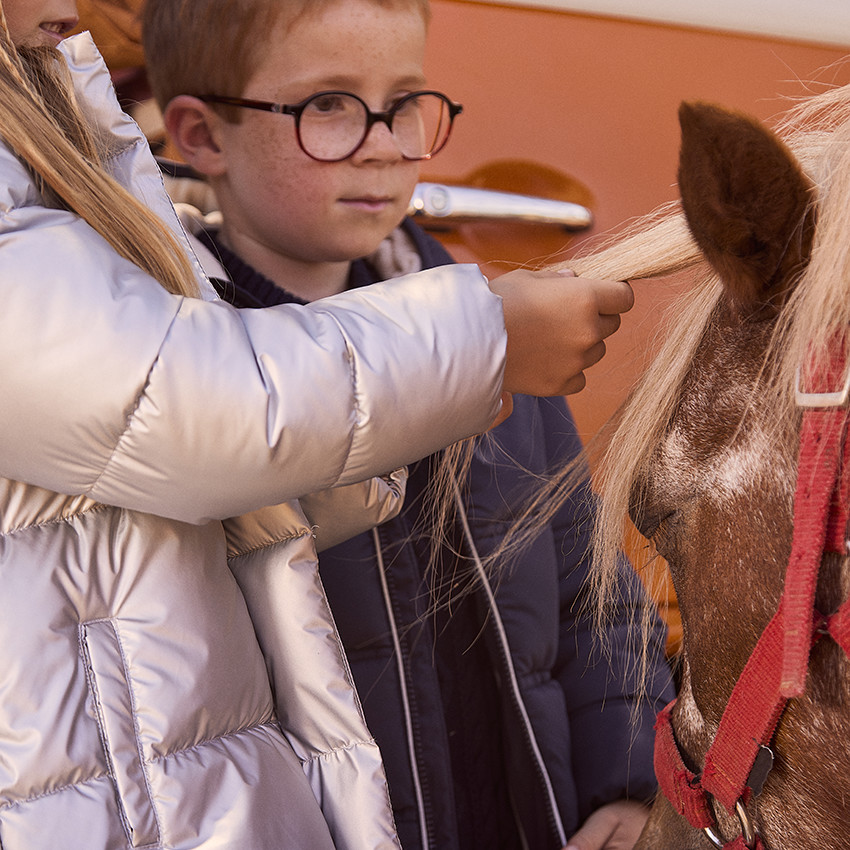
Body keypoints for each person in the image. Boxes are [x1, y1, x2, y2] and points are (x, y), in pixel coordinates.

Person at [0, 1, 636, 849]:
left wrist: (629, 781)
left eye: (404, 103)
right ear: (201, 136)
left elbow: (594, 592)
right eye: (328, 105)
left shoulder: (494, 327)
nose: (383, 143)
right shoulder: (205, 376)